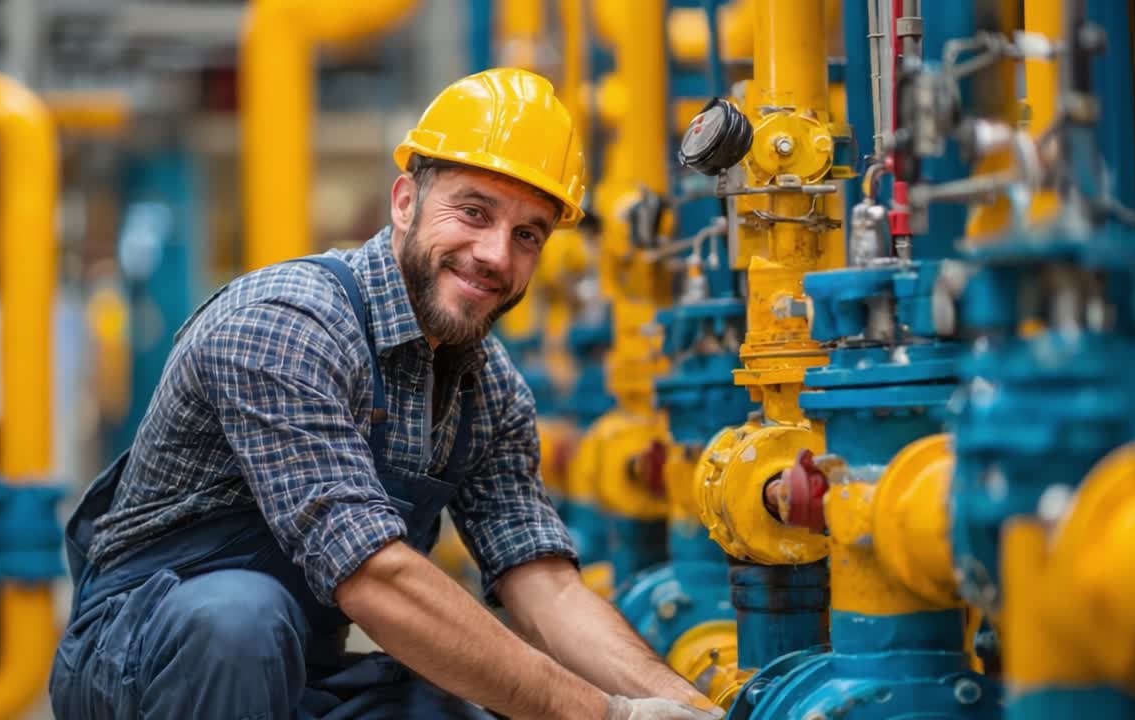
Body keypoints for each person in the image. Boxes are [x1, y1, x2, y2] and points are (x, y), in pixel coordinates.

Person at [49, 68, 723, 720]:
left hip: (303, 668)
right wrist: (604, 714)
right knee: (239, 620)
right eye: (473, 211)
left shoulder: (487, 387)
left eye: (527, 235)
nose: (495, 254)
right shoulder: (288, 325)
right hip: (145, 659)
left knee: (451, 707)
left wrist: (690, 707)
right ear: (405, 202)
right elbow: (370, 574)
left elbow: (542, 583)